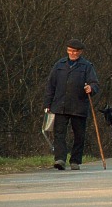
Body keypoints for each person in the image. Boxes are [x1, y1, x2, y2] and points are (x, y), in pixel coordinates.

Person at [43, 39, 100, 170]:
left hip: (79, 106)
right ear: (67, 50)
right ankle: (60, 159)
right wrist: (47, 104)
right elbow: (50, 85)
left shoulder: (87, 66)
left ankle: (75, 160)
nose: (72, 53)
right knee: (59, 134)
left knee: (79, 135)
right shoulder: (59, 65)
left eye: (75, 51)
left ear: (80, 52)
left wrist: (91, 88)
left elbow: (95, 83)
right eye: (70, 50)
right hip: (60, 105)